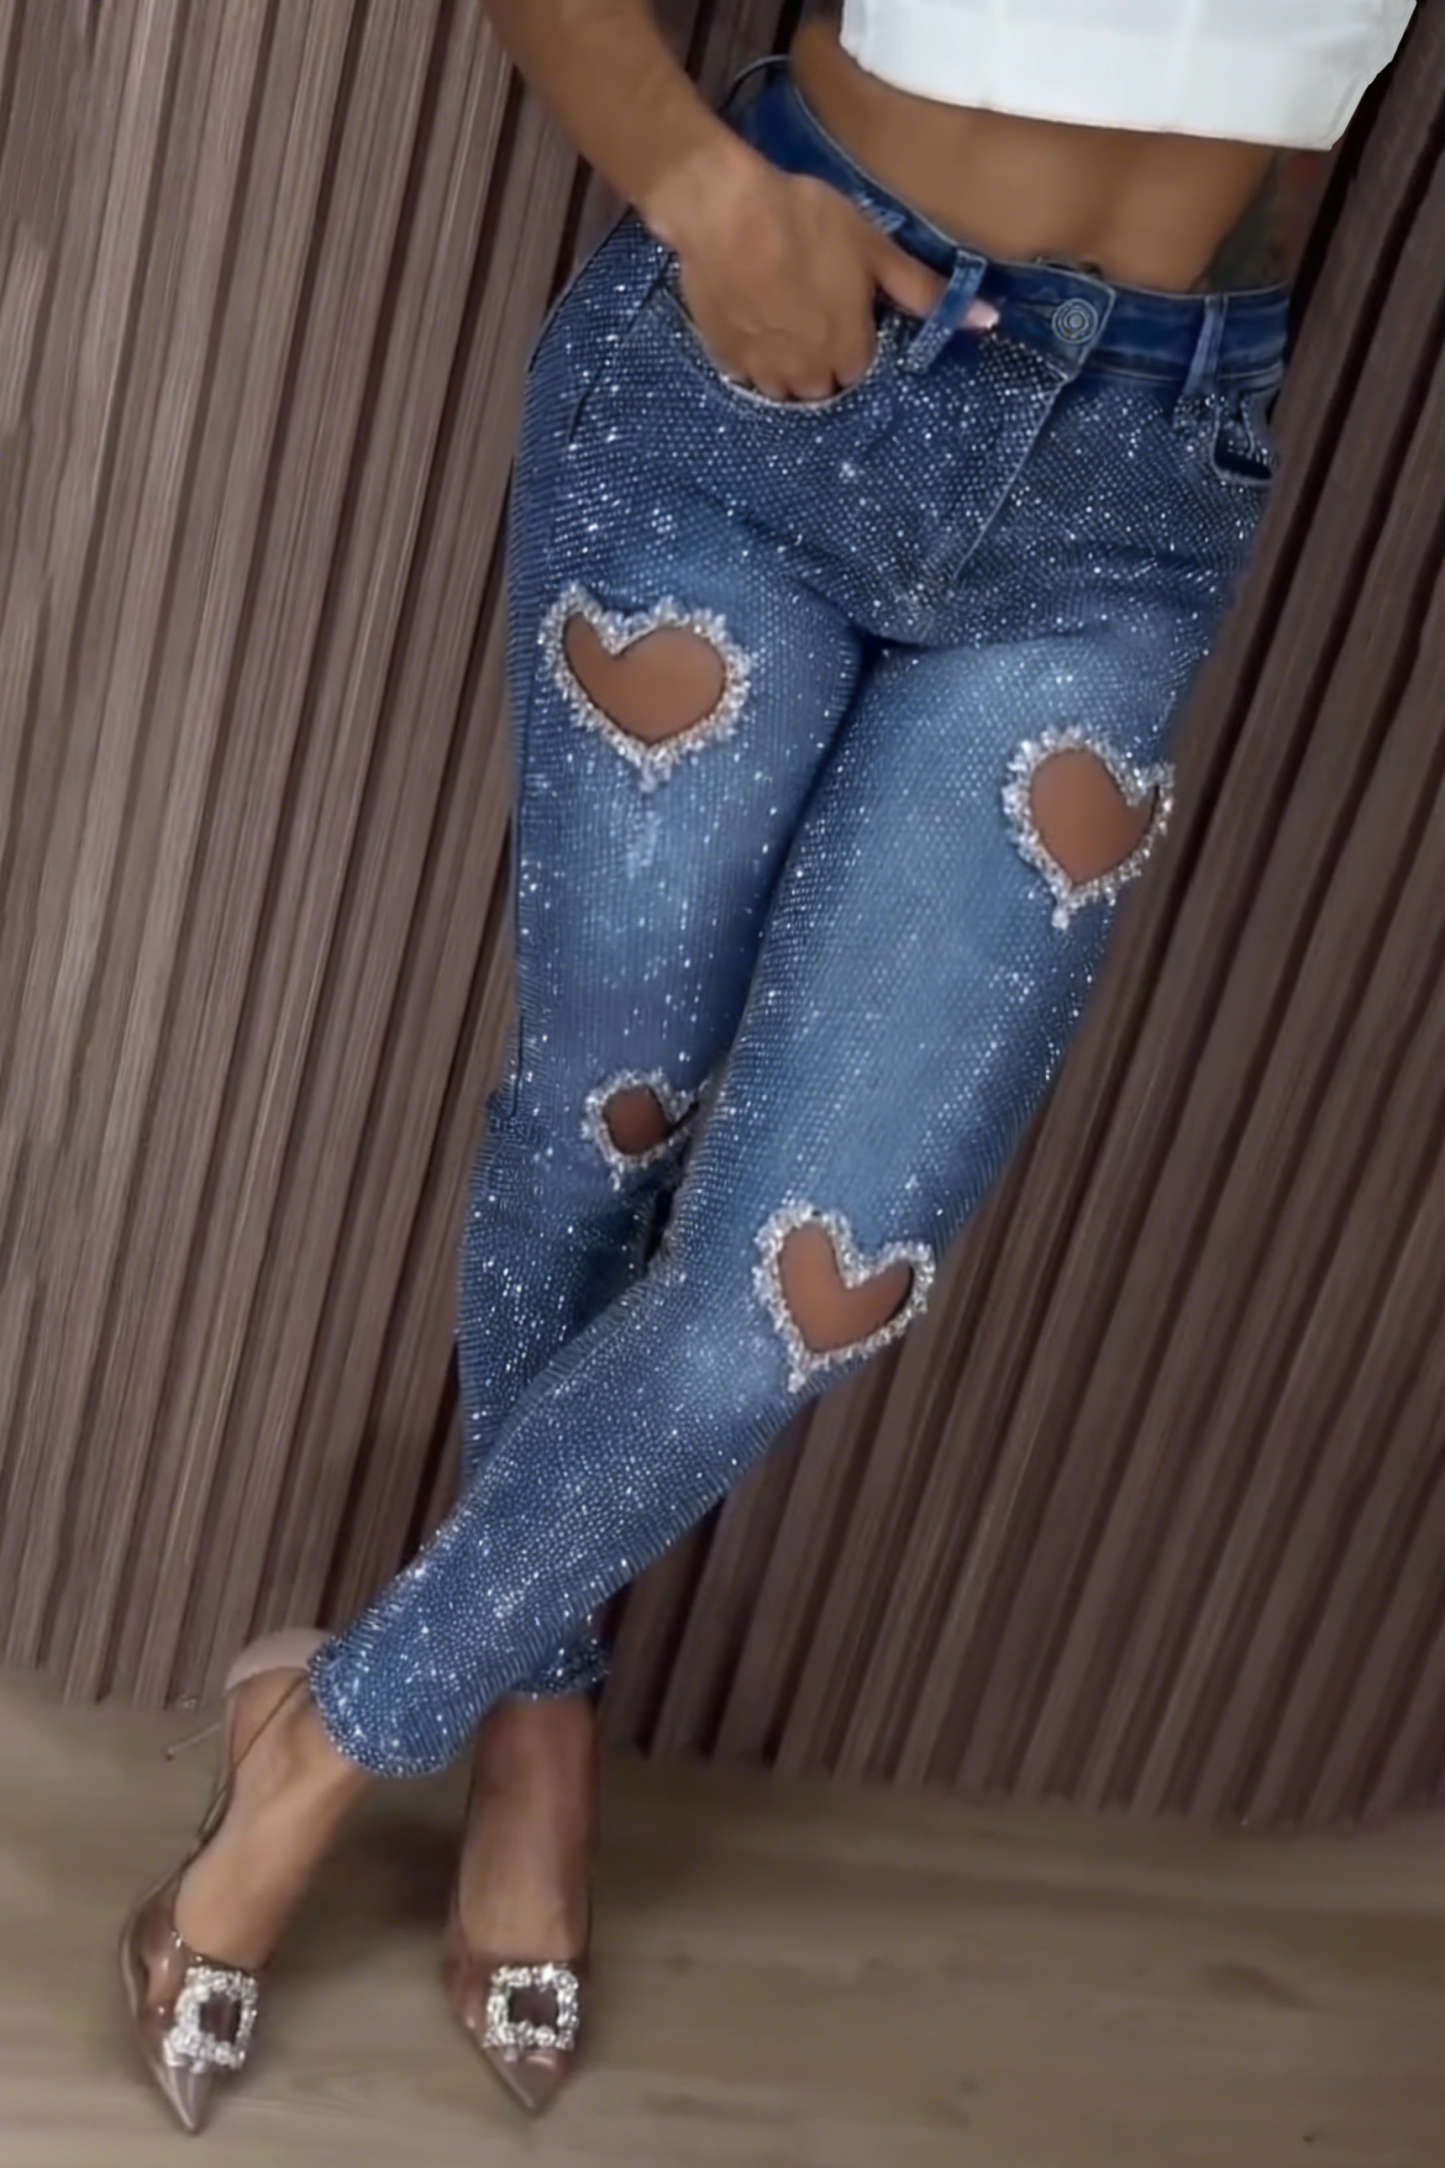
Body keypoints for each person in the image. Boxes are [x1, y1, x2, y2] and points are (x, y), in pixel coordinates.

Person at [120, 0, 1416, 2132]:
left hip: (1135, 473)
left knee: (812, 1281)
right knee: (599, 1120)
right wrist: (700, 189)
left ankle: (318, 1748)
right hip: (763, 373)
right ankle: (538, 1744)